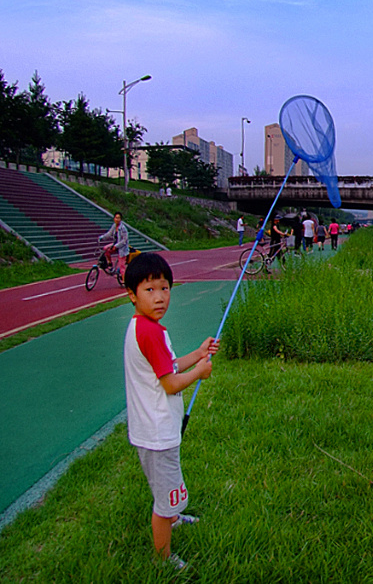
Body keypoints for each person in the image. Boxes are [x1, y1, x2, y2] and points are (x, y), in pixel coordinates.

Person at [122, 253, 217, 570]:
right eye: (149, 290)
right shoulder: (151, 333)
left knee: (164, 489)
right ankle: (164, 558)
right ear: (132, 295)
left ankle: (173, 517)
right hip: (158, 432)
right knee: (165, 499)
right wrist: (199, 372)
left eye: (165, 288)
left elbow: (167, 367)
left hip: (149, 429)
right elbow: (171, 384)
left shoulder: (144, 327)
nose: (160, 297)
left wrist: (198, 354)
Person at [98, 211, 130, 278]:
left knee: (122, 267)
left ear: (120, 219)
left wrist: (116, 246)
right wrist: (102, 237)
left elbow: (124, 240)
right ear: (114, 218)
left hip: (122, 247)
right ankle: (110, 263)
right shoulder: (114, 226)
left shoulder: (123, 229)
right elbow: (109, 233)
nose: (117, 219)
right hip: (115, 243)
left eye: (119, 218)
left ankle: (125, 282)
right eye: (116, 218)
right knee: (105, 249)